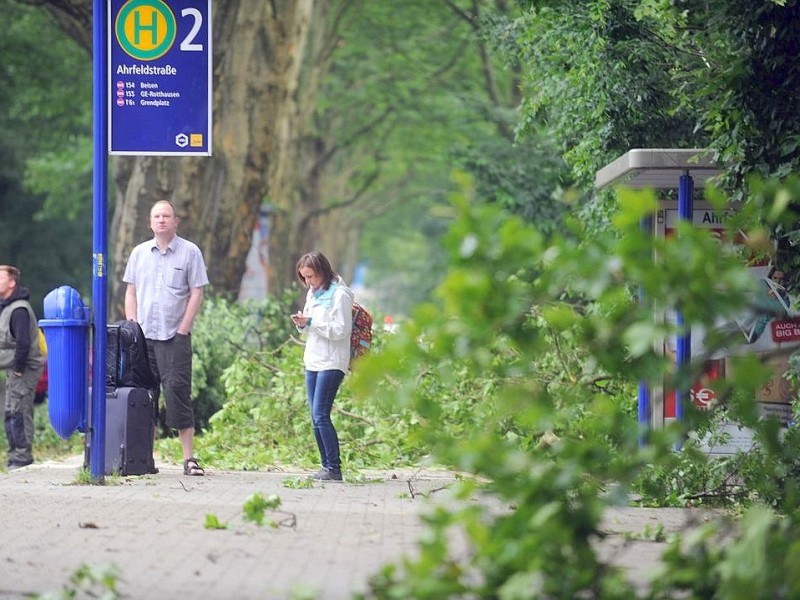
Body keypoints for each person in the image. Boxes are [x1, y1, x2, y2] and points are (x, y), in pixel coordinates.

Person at [123, 200, 209, 476]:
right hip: (143, 337)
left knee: (177, 393)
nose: (161, 220)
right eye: (157, 216)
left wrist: (184, 328)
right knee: (144, 396)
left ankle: (188, 458)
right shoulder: (138, 253)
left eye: (166, 216)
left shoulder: (190, 252)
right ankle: (143, 459)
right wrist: (132, 326)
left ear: (175, 222)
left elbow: (197, 291)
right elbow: (131, 292)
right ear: (150, 222)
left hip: (175, 337)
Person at [292, 251, 353, 482]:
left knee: (321, 414)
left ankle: (334, 468)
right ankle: (326, 466)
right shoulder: (313, 294)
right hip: (314, 359)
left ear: (323, 271)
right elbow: (311, 325)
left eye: (311, 276)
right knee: (314, 416)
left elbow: (341, 330)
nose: (308, 282)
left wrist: (313, 322)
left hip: (332, 360)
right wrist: (303, 323)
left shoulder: (340, 295)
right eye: (304, 278)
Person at [0, 265, 45, 470]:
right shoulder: (7, 306)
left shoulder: (19, 309)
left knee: (19, 412)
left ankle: (22, 458)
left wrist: (18, 368)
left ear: (12, 282)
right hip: (15, 369)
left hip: (24, 368)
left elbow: (24, 343)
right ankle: (14, 456)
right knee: (10, 411)